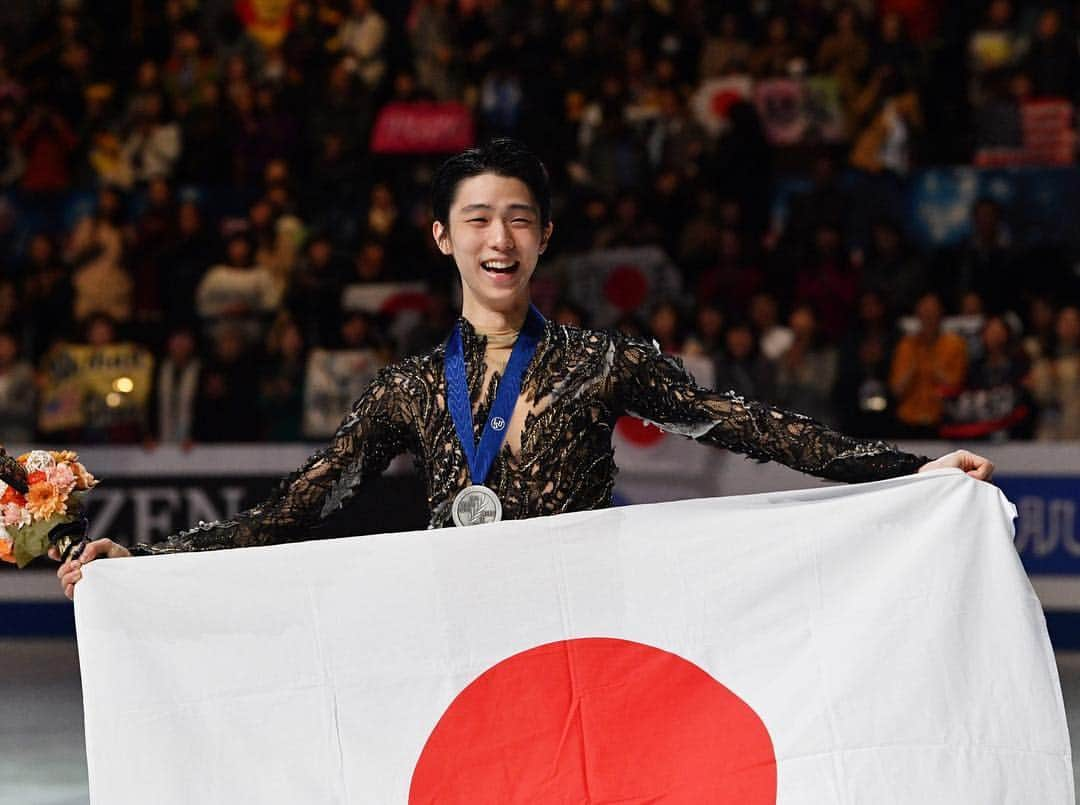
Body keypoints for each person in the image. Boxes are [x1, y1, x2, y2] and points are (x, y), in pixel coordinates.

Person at [54, 139, 993, 598]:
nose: (497, 237)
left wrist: (912, 469)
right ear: (441, 236)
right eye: (476, 217)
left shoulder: (602, 362)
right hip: (458, 634)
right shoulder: (407, 390)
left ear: (544, 238)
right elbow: (296, 507)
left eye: (517, 218)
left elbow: (754, 425)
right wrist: (146, 561)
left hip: (588, 627)